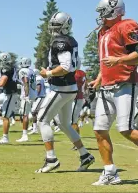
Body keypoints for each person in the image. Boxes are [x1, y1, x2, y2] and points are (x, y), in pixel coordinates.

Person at [89, 0, 138, 185]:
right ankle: (110, 172)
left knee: (126, 129)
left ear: (113, 10)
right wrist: (99, 78)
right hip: (106, 86)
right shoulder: (102, 31)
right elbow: (105, 59)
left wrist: (119, 60)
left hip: (125, 83)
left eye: (103, 11)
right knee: (99, 130)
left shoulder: (127, 25)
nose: (100, 15)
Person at [35, 11, 95, 173]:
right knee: (64, 124)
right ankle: (85, 155)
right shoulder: (70, 40)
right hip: (70, 88)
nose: (53, 28)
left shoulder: (59, 42)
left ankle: (51, 159)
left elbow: (66, 66)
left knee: (42, 120)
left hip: (61, 88)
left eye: (56, 25)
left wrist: (48, 73)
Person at [16, 57, 37, 142]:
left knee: (25, 114)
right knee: (28, 113)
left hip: (27, 94)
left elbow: (26, 82)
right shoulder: (32, 71)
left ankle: (24, 135)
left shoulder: (23, 71)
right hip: (33, 93)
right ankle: (34, 126)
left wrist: (26, 94)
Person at [28, 69, 46, 135]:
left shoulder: (38, 78)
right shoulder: (40, 78)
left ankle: (35, 128)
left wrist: (36, 95)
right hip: (40, 96)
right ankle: (35, 127)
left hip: (40, 97)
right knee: (36, 113)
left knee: (34, 112)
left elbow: (38, 87)